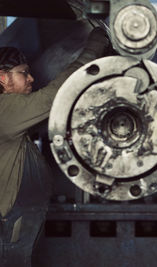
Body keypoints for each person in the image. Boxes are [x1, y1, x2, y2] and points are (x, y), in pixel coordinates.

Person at [0, 27, 109, 266]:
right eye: (23, 73)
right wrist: (93, 47)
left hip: (17, 222)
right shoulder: (6, 109)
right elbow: (54, 95)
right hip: (10, 225)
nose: (31, 79)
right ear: (3, 78)